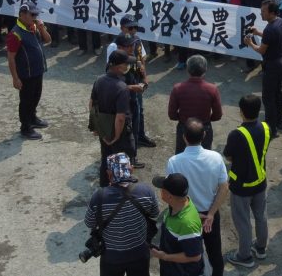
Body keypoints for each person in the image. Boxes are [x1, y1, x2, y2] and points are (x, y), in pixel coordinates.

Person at [165, 119, 229, 276]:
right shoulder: (216, 158)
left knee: (187, 256)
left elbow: (170, 194)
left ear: (183, 137)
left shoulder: (174, 162)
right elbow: (224, 187)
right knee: (215, 254)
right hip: (210, 216)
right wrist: (211, 214)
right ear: (204, 135)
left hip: (185, 216)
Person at [84, 152, 160, 276]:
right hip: (140, 253)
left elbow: (89, 223)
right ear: (131, 169)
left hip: (111, 257)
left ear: (109, 173)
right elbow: (155, 213)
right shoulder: (146, 191)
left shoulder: (99, 196)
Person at [222, 94, 271, 269]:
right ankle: (260, 248)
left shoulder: (236, 134)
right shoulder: (266, 127)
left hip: (241, 186)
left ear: (241, 112)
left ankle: (244, 256)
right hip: (260, 182)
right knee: (261, 216)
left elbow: (228, 156)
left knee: (243, 221)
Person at [6, 4, 52, 140]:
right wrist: (15, 78)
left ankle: (32, 118)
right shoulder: (15, 34)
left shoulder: (34, 27)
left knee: (36, 96)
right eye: (32, 15)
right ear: (22, 15)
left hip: (38, 70)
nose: (35, 17)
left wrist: (42, 28)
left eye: (36, 15)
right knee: (26, 100)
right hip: (26, 74)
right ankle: (25, 127)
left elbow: (48, 40)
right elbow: (11, 58)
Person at [92, 51, 138, 186]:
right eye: (126, 64)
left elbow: (92, 104)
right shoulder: (122, 88)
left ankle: (104, 187)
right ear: (119, 67)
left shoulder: (99, 80)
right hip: (119, 132)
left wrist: (96, 127)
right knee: (121, 160)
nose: (128, 66)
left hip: (104, 127)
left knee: (105, 158)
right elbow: (120, 117)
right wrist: (116, 136)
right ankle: (120, 191)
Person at [149, 173, 204, 276]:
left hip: (181, 272)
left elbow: (195, 256)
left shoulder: (187, 224)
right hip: (170, 267)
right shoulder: (178, 204)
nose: (160, 191)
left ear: (169, 196)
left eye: (162, 190)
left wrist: (165, 257)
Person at [167, 56, 223, 153]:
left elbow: (172, 115)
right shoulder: (212, 89)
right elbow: (218, 115)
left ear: (188, 70)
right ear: (205, 70)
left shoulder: (177, 88)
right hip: (204, 128)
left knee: (182, 156)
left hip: (184, 127)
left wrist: (182, 118)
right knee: (204, 157)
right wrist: (207, 119)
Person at [245, 0, 282, 130]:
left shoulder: (270, 29)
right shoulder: (280, 22)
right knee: (277, 93)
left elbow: (261, 50)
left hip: (272, 65)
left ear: (272, 13)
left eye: (263, 11)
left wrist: (250, 43)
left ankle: (271, 127)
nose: (261, 13)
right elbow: (271, 38)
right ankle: (279, 121)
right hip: (281, 60)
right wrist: (257, 33)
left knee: (268, 98)